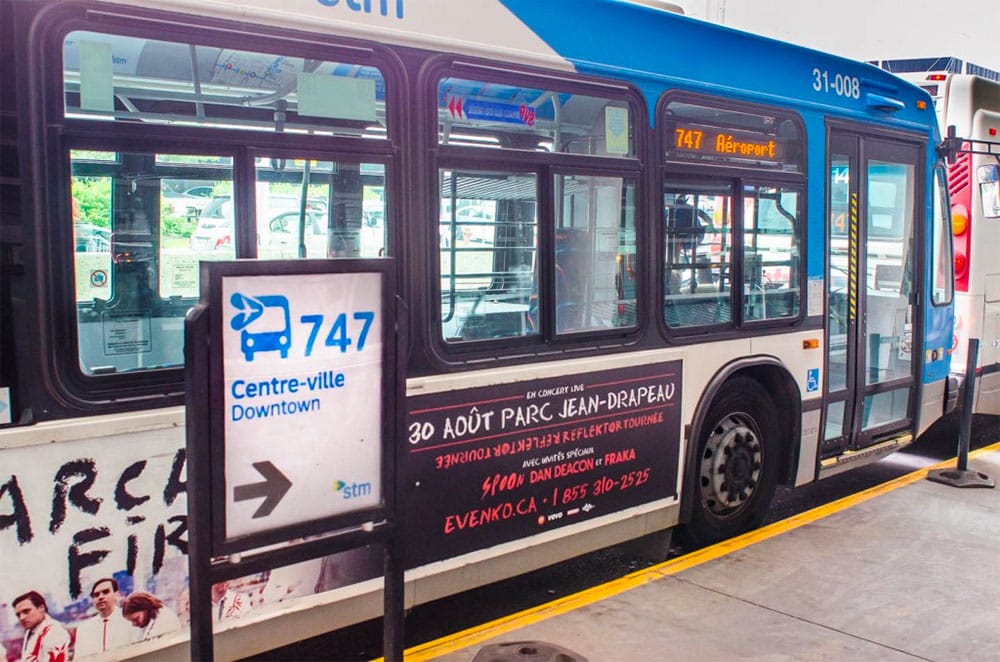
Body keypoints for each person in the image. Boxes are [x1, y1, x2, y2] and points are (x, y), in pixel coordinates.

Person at [73, 578, 134, 657]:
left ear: (116, 594)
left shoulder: (129, 620)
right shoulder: (84, 629)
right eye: (96, 595)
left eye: (106, 592)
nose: (100, 597)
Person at [12, 590, 71, 662]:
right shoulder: (31, 631)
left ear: (41, 608)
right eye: (18, 615)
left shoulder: (55, 632)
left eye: (26, 611)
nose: (22, 618)